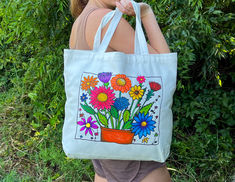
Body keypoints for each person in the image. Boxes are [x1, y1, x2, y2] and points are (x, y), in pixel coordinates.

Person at [69, 0, 172, 181]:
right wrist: (147, 14)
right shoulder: (105, 19)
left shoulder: (80, 22)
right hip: (135, 159)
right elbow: (165, 69)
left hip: (104, 160)